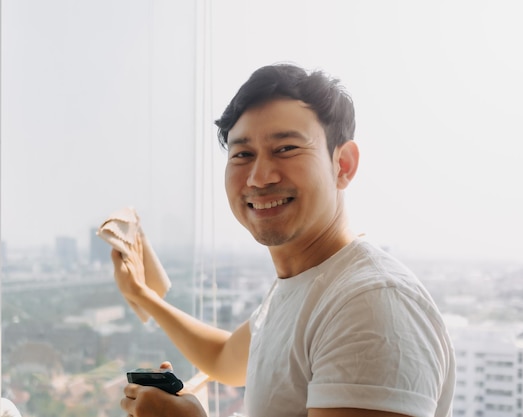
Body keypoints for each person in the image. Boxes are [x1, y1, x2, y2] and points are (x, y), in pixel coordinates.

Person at [111, 63, 455, 417]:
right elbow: (223, 358)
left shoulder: (369, 303)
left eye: (286, 148)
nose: (259, 178)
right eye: (243, 154)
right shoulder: (302, 287)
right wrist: (143, 295)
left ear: (344, 164)